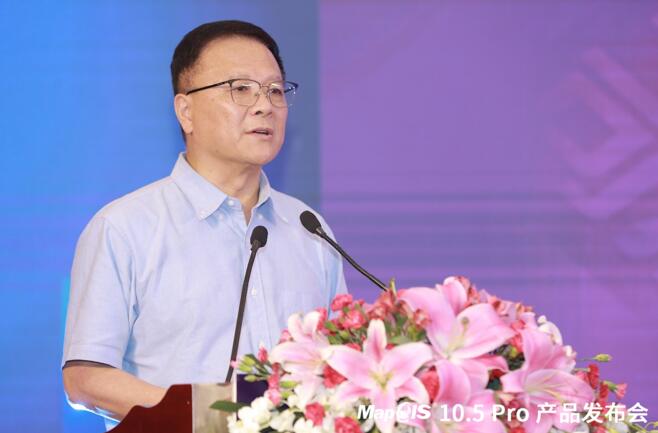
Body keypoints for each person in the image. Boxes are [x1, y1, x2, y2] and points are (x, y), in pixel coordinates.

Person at [62, 20, 347, 427]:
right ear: (186, 111)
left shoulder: (309, 229)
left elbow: (340, 368)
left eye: (275, 90)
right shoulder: (124, 229)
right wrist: (215, 415)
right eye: (241, 89)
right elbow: (86, 379)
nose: (264, 105)